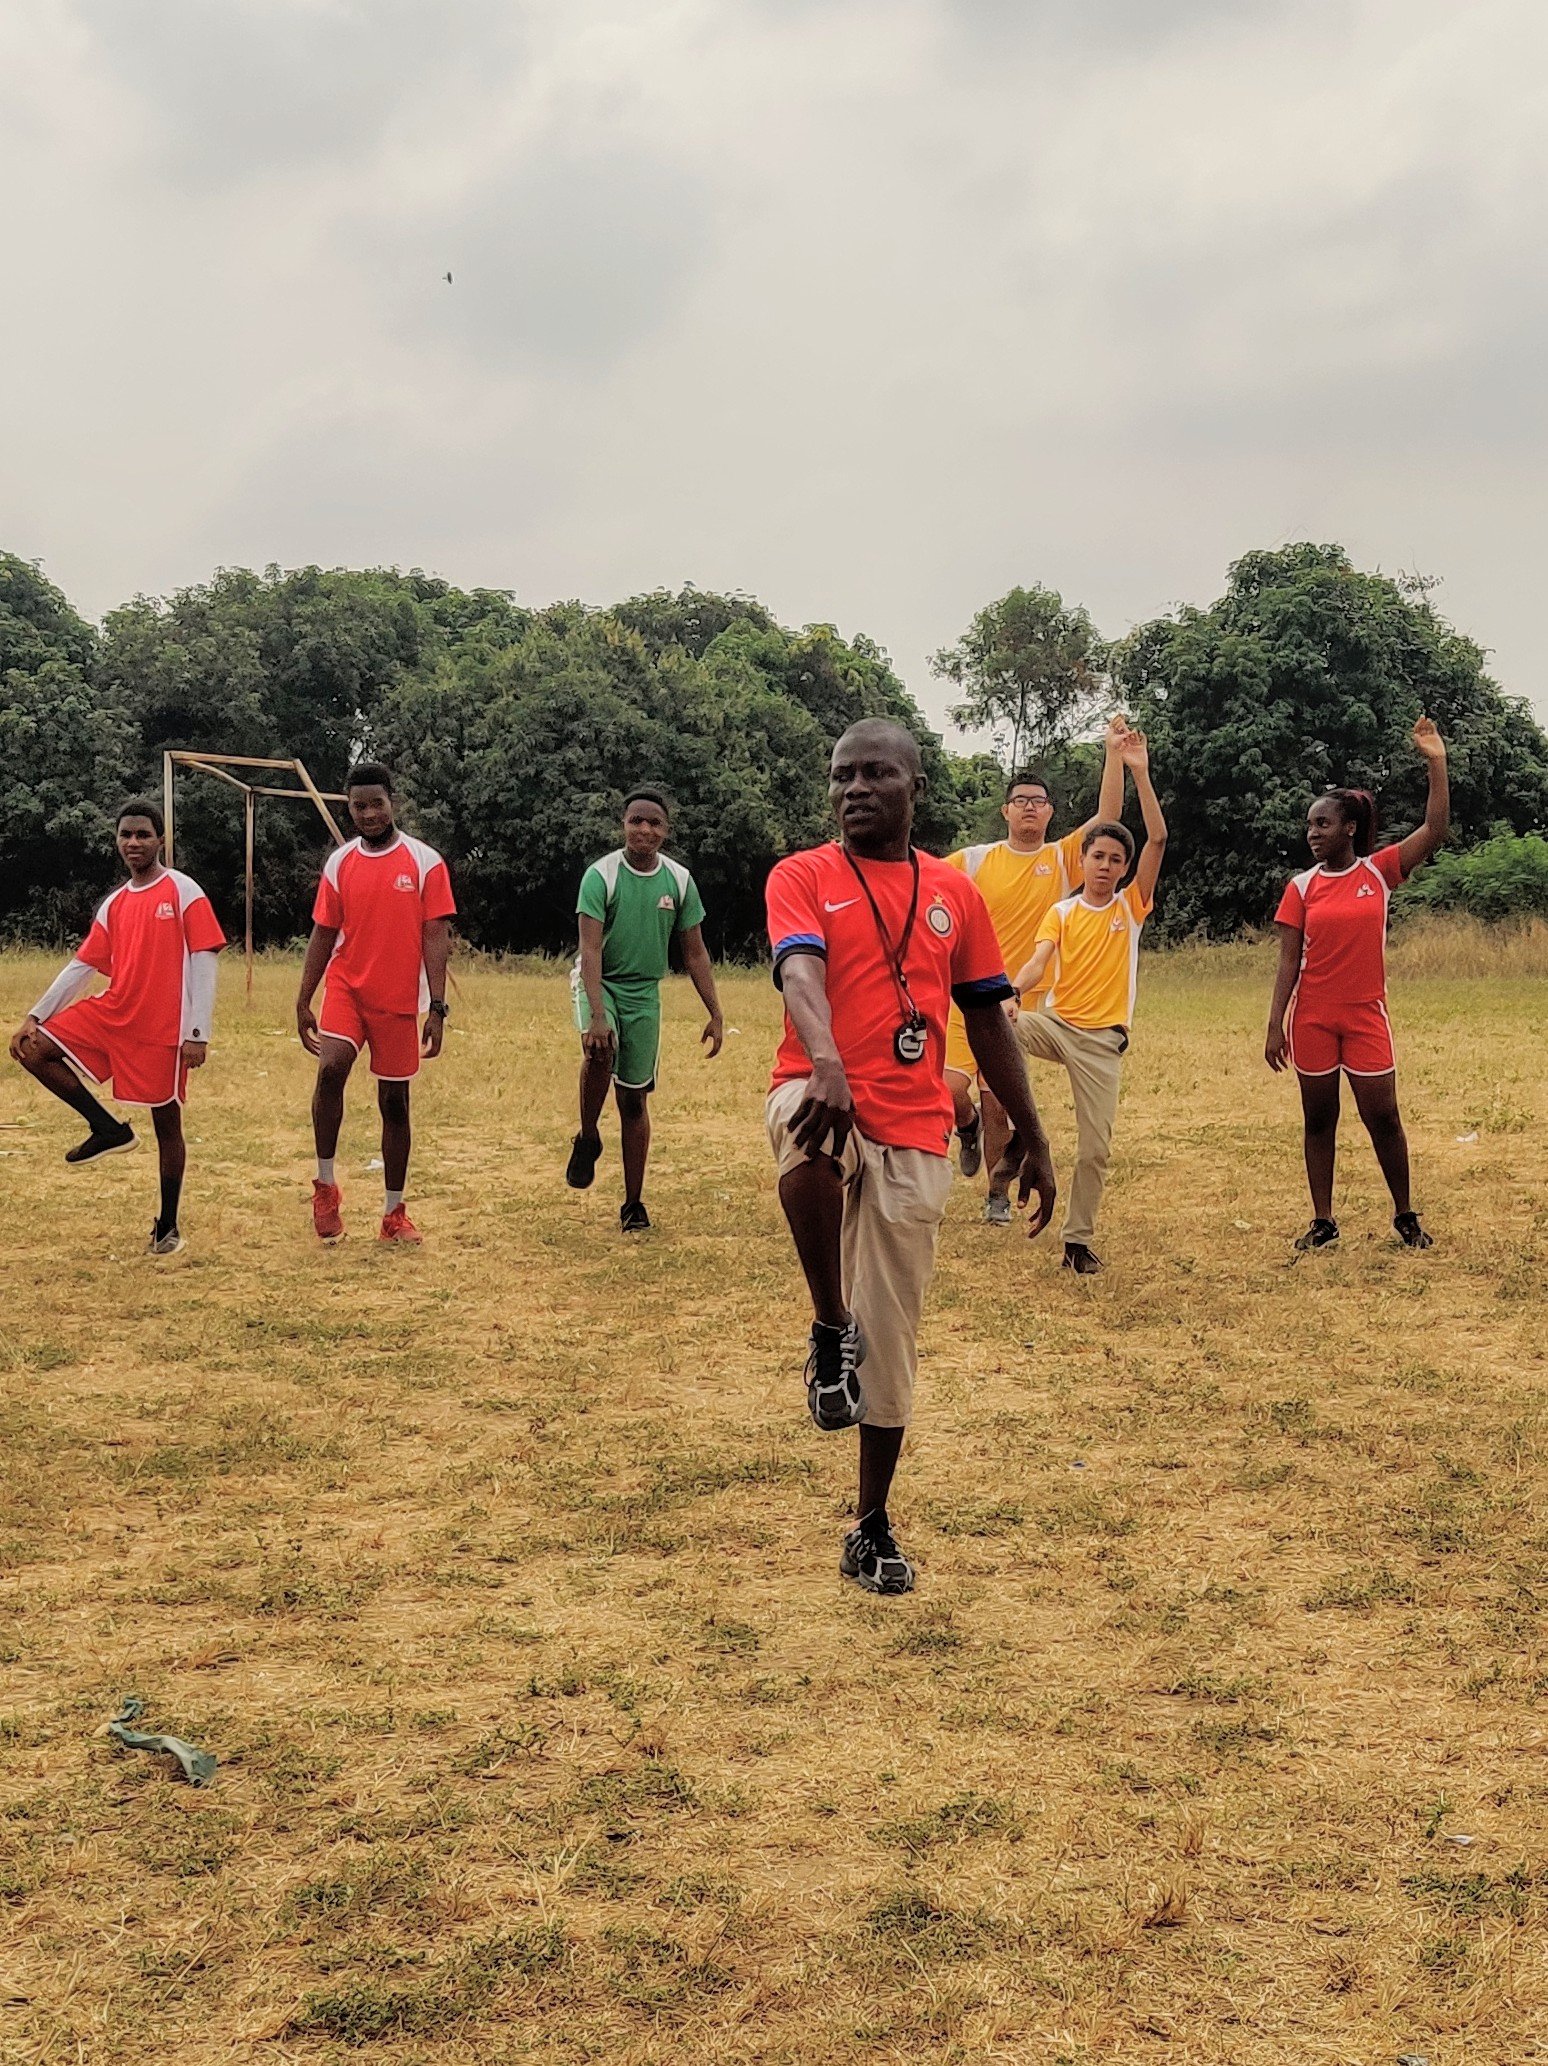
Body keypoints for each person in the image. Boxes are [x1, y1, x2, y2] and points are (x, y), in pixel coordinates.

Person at [766, 718, 1056, 1595]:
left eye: (875, 773)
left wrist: (1032, 1131)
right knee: (809, 1131)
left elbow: (986, 1017)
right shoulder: (803, 874)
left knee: (890, 1348)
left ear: (912, 787)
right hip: (817, 1090)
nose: (855, 788)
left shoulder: (953, 893)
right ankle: (826, 1327)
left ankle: (871, 1523)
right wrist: (825, 1061)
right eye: (841, 775)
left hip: (917, 1128)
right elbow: (799, 973)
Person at [1265, 716, 1450, 1252]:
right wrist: (1275, 1024)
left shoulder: (1379, 873)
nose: (1313, 833)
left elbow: (1434, 829)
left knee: (1383, 1118)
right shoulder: (1301, 887)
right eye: (1309, 826)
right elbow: (1287, 962)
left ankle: (1405, 1215)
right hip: (1313, 1018)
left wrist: (1435, 761)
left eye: (1322, 824)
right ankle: (1322, 1221)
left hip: (1366, 1016)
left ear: (1349, 828)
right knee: (1318, 1120)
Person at [9, 799, 225, 1256]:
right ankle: (108, 1129)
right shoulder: (115, 903)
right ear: (116, 841)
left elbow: (204, 960)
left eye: (143, 834)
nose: (133, 842)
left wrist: (197, 1032)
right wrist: (36, 1016)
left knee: (167, 1122)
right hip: (114, 1013)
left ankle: (167, 1227)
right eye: (126, 835)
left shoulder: (184, 892)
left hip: (164, 1026)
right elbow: (82, 965)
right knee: (33, 1049)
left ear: (161, 839)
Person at [944, 717, 1130, 1223]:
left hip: (1026, 1001)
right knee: (951, 1093)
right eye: (1020, 799)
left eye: (1038, 800)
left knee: (1000, 1095)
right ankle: (965, 1127)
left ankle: (996, 1195)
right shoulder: (975, 860)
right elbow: (926, 884)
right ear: (1005, 810)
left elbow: (1108, 817)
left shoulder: (1062, 858)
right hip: (968, 996)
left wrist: (1114, 755)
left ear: (1050, 812)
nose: (1029, 806)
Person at [1007, 728, 1167, 1274]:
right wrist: (1011, 995)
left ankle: (1077, 1241)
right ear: (1086, 861)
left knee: (1094, 1149)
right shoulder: (1063, 911)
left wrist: (1139, 771)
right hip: (1053, 1024)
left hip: (1101, 1043)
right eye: (1096, 855)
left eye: (1113, 858)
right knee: (990, 1024)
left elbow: (1158, 841)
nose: (1102, 865)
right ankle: (1016, 1134)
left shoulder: (1130, 910)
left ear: (1123, 868)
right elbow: (1036, 963)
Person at [295, 763, 455, 1246]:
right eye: (358, 806)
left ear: (393, 802)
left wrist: (438, 1008)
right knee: (331, 1069)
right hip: (347, 988)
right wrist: (304, 998)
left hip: (400, 1000)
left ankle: (393, 1214)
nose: (367, 814)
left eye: (375, 804)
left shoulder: (426, 862)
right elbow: (323, 932)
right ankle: (325, 1188)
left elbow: (435, 937)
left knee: (394, 1102)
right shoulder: (340, 864)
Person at [565, 788, 724, 1233]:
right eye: (636, 821)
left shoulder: (678, 880)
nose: (644, 830)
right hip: (600, 983)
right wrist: (597, 1014)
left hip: (643, 992)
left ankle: (633, 1204)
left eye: (654, 823)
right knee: (600, 1049)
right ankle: (588, 1135)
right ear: (623, 825)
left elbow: (694, 952)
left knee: (634, 1098)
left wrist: (715, 1011)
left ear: (665, 831)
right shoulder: (601, 875)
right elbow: (590, 949)